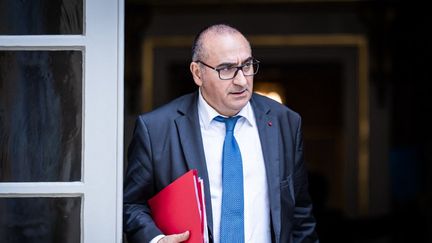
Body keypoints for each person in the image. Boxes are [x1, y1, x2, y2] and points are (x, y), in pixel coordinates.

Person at [123, 24, 318, 243]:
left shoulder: (286, 122)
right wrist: (156, 240)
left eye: (247, 65)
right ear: (198, 73)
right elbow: (132, 205)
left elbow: (300, 215)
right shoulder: (156, 129)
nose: (242, 80)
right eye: (226, 69)